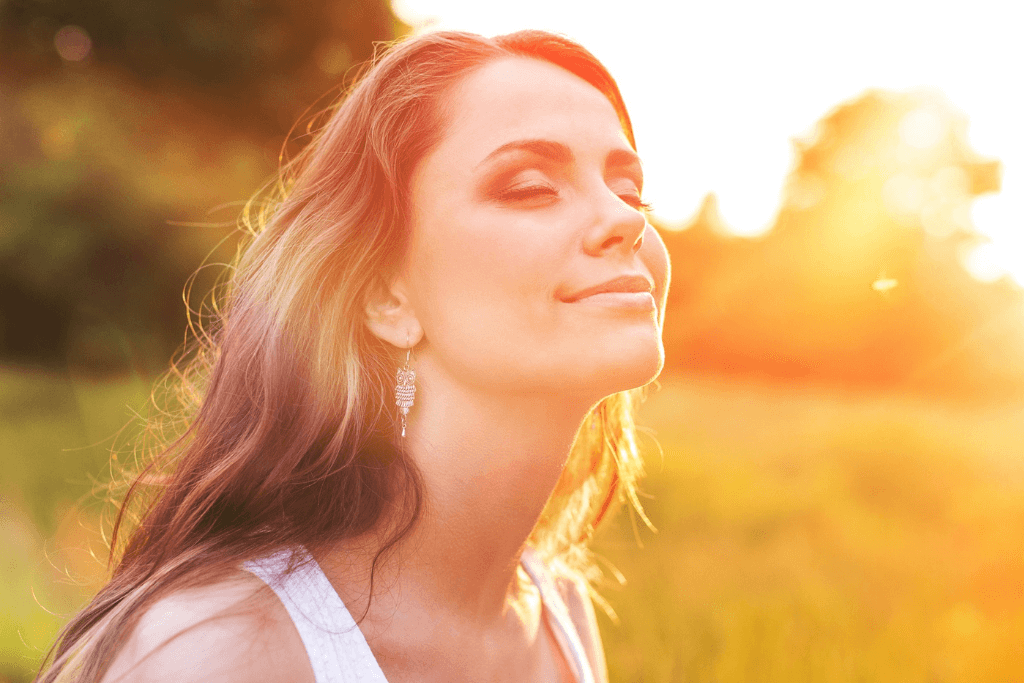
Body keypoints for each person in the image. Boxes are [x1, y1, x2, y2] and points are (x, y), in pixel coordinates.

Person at [37, 29, 670, 683]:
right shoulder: (219, 652)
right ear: (383, 297)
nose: (627, 220)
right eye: (532, 186)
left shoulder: (561, 612)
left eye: (630, 190)